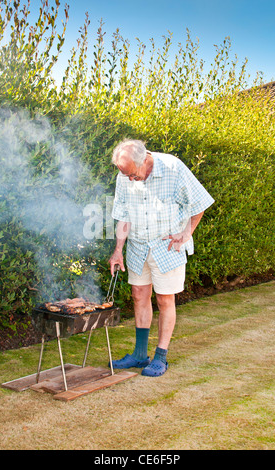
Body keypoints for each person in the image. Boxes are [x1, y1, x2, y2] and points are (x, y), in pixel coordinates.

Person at [109, 139, 214, 377]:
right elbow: (123, 214)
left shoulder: (173, 168)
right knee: (138, 295)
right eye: (126, 175)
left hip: (167, 246)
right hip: (137, 245)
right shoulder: (124, 176)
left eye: (133, 175)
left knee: (165, 300)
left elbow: (200, 202)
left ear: (144, 160)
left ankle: (160, 356)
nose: (130, 180)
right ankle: (139, 354)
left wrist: (187, 233)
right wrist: (118, 250)